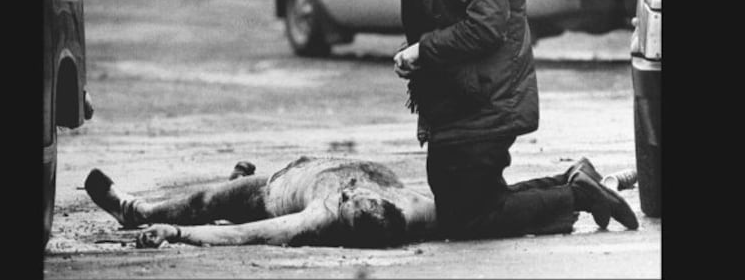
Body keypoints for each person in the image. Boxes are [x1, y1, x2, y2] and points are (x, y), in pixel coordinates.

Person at [372, 0, 638, 239]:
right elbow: (431, 20)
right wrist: (413, 54)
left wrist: (425, 50)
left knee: (468, 220)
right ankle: (574, 183)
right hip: (452, 99)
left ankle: (575, 194)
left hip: (486, 97)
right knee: (467, 206)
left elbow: (485, 28)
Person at [84, 156, 610, 248]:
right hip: (294, 180)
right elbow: (491, 205)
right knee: (480, 205)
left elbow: (252, 233)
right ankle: (571, 182)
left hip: (277, 189)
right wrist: (557, 194)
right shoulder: (412, 212)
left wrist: (179, 235)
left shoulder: (327, 214)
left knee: (210, 201)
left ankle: (140, 212)